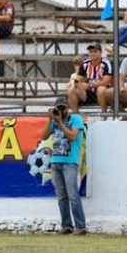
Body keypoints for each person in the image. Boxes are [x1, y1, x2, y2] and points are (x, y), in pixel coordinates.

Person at [41, 98, 86, 235]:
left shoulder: (76, 119)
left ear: (68, 108)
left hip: (70, 162)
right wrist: (50, 120)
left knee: (72, 195)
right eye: (58, 108)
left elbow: (72, 136)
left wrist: (60, 123)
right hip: (56, 162)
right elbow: (44, 136)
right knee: (61, 196)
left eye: (63, 108)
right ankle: (66, 225)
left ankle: (80, 226)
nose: (61, 111)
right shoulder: (54, 121)